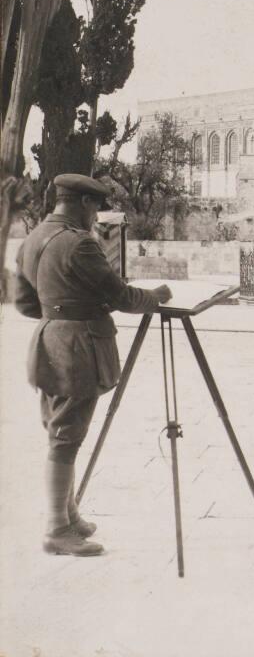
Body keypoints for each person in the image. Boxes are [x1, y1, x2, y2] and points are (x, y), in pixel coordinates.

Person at [15, 173, 173, 557]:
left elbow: (23, 302)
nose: (96, 216)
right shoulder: (79, 243)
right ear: (84, 204)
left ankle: (67, 516)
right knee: (67, 436)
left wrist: (60, 310)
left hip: (48, 340)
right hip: (77, 348)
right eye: (95, 207)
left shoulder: (32, 238)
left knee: (60, 431)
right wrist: (156, 295)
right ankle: (56, 529)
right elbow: (119, 295)